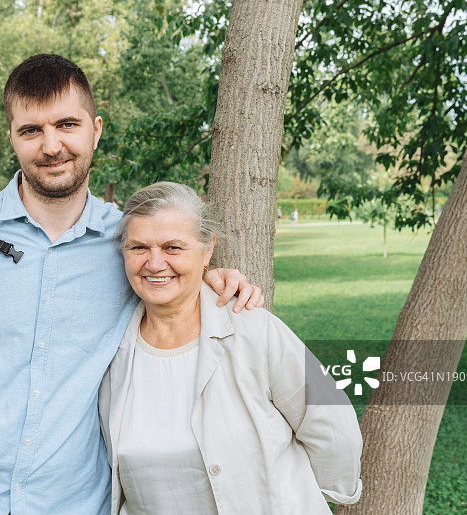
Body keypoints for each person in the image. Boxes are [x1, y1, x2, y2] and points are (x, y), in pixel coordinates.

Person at [0, 54, 263, 515]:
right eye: (31, 130)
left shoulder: (127, 244)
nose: (51, 145)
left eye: (67, 124)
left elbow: (170, 269)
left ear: (95, 129)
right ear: (11, 137)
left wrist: (208, 276)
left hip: (78, 505)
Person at [99, 182, 362, 515]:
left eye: (173, 248)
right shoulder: (113, 348)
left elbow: (331, 418)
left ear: (207, 250)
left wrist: (316, 496)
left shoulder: (254, 329)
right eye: (139, 248)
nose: (154, 263)